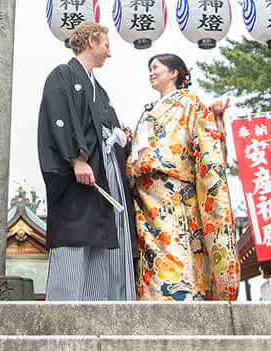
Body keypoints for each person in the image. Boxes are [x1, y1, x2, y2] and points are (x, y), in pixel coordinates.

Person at [37, 20, 138, 301]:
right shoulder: (63, 75)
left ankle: (95, 316)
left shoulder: (99, 89)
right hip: (75, 178)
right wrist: (76, 158)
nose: (109, 53)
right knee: (73, 241)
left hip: (100, 179)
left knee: (97, 246)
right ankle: (63, 320)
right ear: (92, 40)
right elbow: (58, 117)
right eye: (106, 45)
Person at [127, 53, 239, 301]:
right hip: (145, 193)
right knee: (151, 251)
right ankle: (152, 298)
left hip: (174, 190)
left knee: (176, 246)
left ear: (174, 72)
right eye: (150, 69)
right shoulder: (149, 110)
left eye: (156, 67)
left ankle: (185, 298)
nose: (151, 73)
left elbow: (207, 141)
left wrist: (216, 120)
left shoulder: (189, 102)